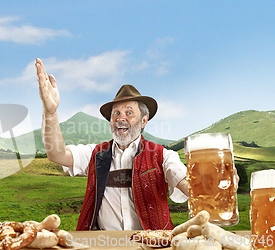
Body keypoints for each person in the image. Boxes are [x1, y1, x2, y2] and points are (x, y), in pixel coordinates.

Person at [35, 58, 189, 231]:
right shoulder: (95, 153)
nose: (120, 118)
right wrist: (50, 111)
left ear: (144, 120)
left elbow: (189, 186)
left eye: (129, 112)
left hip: (152, 246)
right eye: (116, 113)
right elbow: (56, 154)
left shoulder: (163, 156)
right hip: (101, 245)